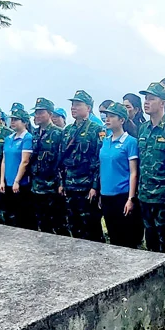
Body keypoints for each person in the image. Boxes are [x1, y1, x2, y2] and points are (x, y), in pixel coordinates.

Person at [137, 81, 165, 261]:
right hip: (145, 196)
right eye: (145, 98)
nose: (146, 102)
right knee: (151, 243)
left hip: (164, 198)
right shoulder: (143, 129)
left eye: (151, 98)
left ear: (163, 102)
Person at [59, 90, 104, 242]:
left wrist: (95, 187)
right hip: (70, 186)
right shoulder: (67, 131)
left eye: (78, 104)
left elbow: (99, 160)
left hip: (87, 187)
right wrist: (61, 183)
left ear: (88, 108)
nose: (73, 107)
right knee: (74, 226)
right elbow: (62, 160)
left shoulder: (96, 129)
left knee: (91, 228)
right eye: (72, 104)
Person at [99, 102, 143, 248]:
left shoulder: (130, 142)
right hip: (106, 195)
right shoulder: (105, 141)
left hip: (122, 195)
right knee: (113, 238)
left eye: (112, 116)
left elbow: (133, 172)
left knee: (127, 239)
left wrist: (131, 198)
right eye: (107, 116)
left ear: (122, 120)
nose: (107, 119)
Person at [30, 98, 68, 235]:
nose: (37, 115)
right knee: (42, 223)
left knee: (59, 224)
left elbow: (62, 161)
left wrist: (61, 183)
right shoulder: (34, 133)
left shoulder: (58, 133)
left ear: (50, 114)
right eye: (36, 112)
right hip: (36, 186)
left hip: (53, 187)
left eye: (41, 112)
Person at [0, 103, 34, 229]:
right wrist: (2, 181)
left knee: (22, 215)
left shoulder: (27, 138)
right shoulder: (8, 138)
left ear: (24, 122)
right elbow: (4, 160)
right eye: (12, 119)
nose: (12, 122)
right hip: (8, 181)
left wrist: (17, 181)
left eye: (16, 120)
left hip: (20, 183)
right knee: (9, 214)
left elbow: (25, 161)